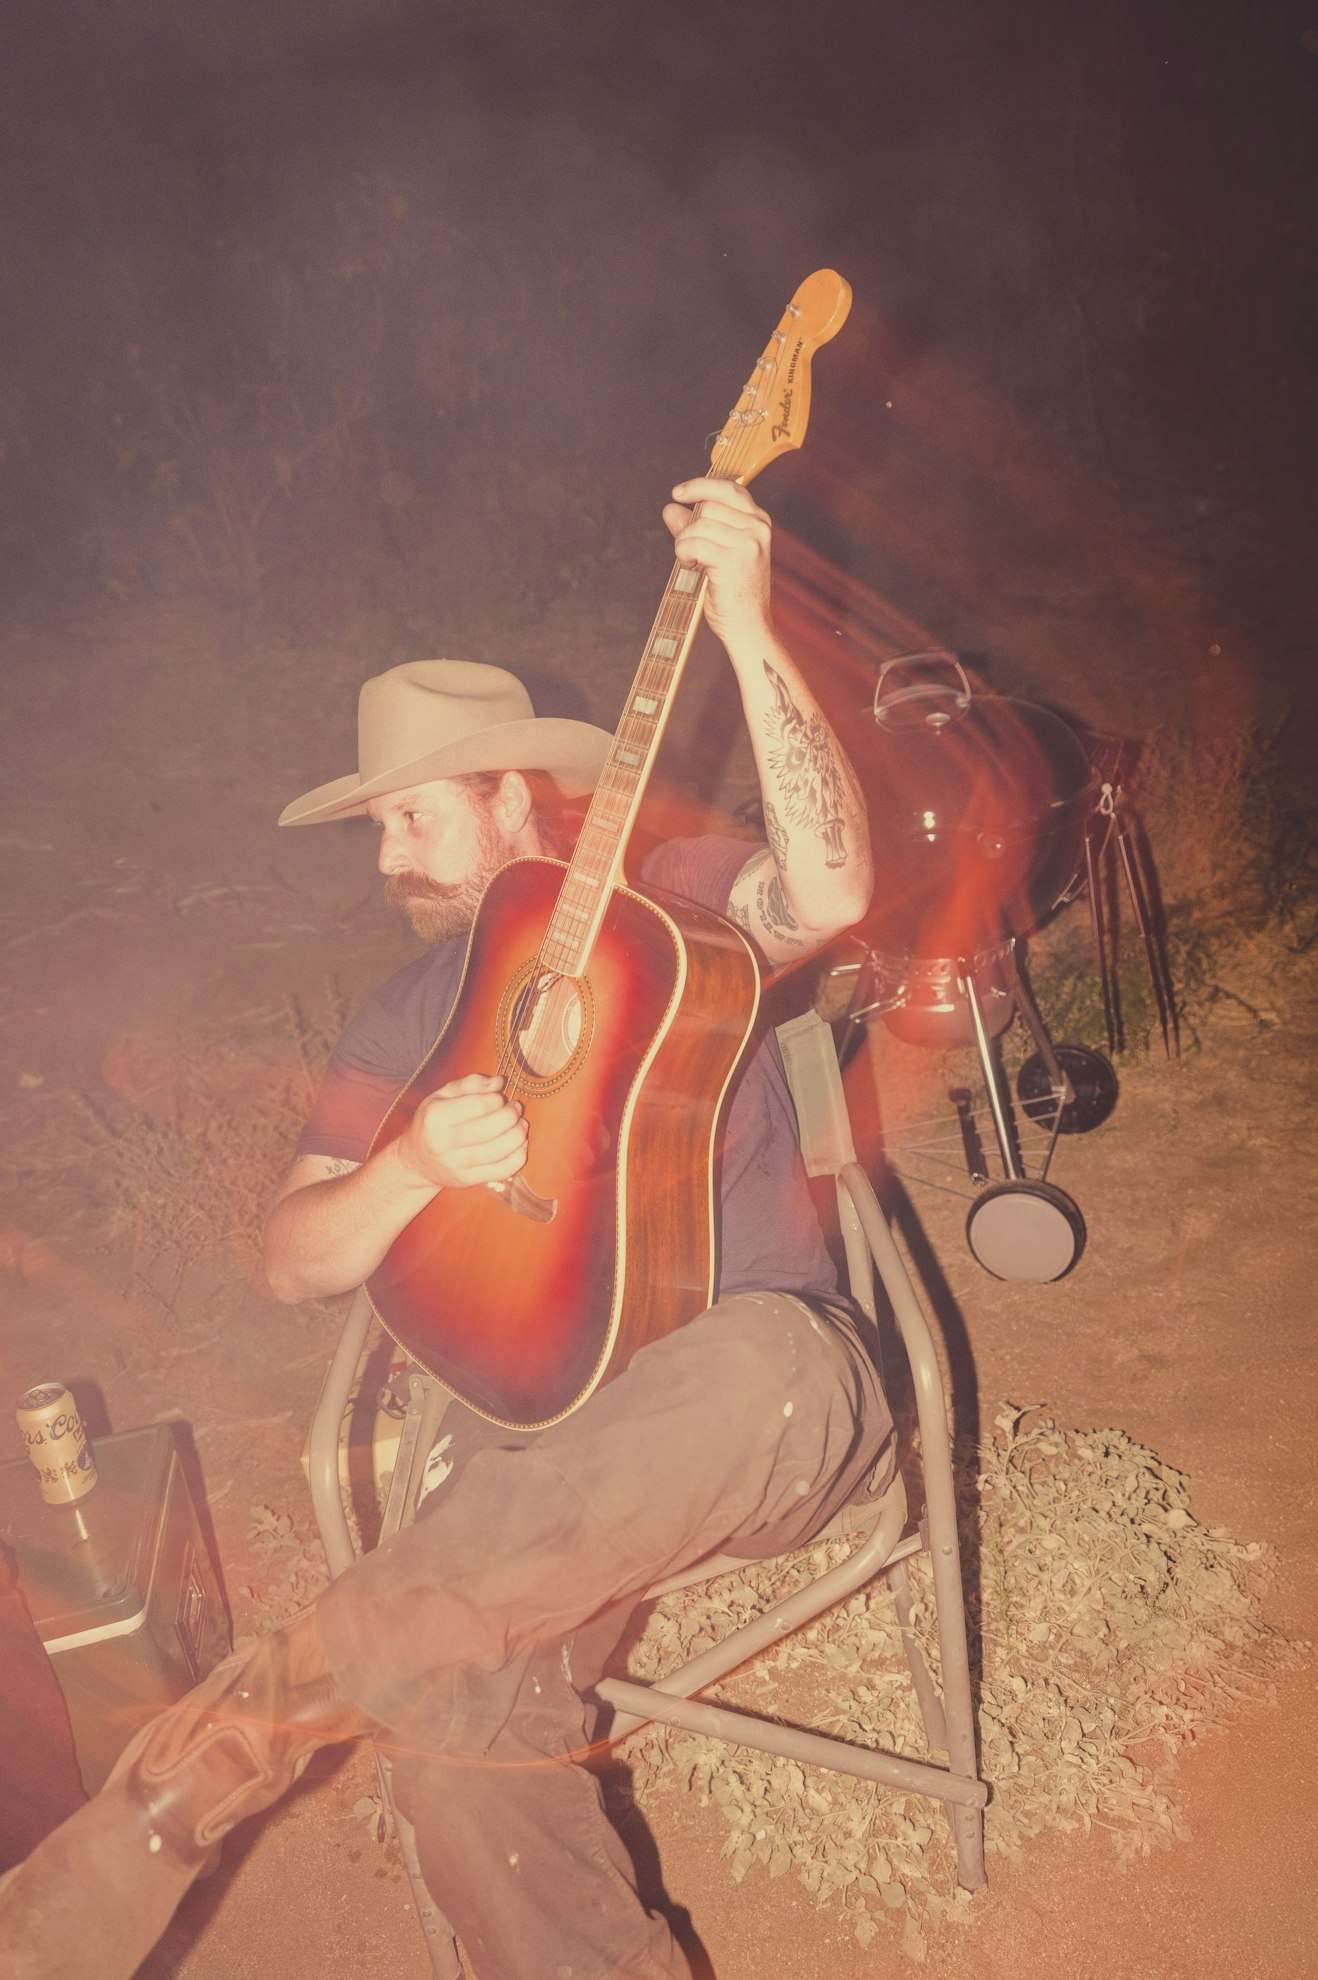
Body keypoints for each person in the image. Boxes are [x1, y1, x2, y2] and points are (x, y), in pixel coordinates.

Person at [0, 477, 893, 1980]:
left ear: (512, 795)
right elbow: (290, 1260)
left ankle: (224, 1742)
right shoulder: (404, 1014)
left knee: (747, 1369)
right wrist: (409, 1164)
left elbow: (833, 887)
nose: (384, 856)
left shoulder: (673, 904)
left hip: (767, 1401)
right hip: (531, 1458)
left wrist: (747, 623)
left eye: (410, 815)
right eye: (375, 826)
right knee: (451, 1749)